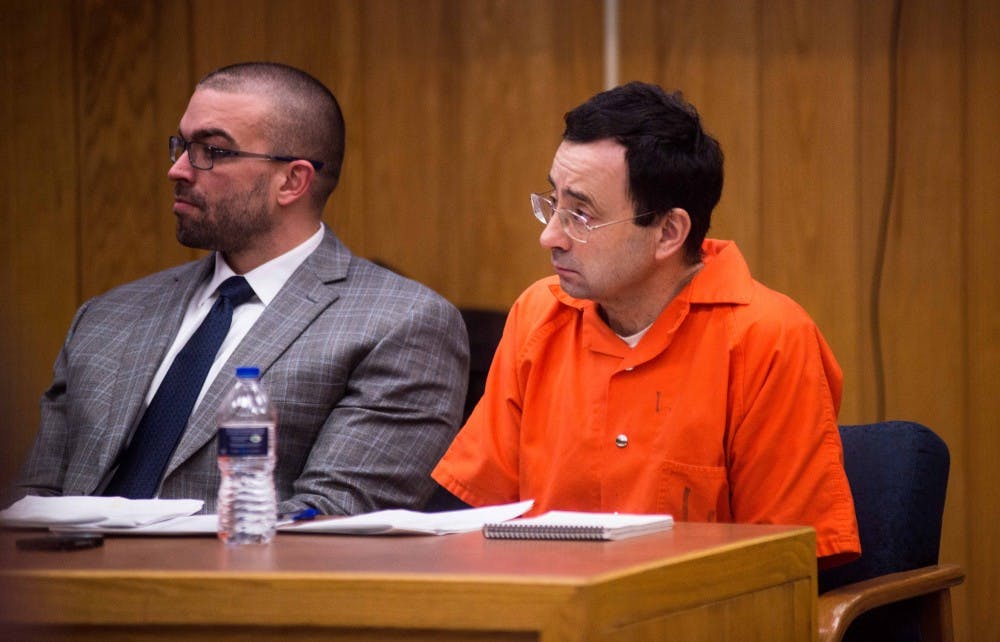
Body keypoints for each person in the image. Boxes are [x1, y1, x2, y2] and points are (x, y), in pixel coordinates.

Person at [432, 82, 860, 567]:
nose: (549, 235)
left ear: (668, 232)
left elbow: (786, 565)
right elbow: (474, 514)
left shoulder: (769, 338)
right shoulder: (537, 316)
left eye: (580, 214)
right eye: (553, 203)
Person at [12, 62, 469, 516]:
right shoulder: (107, 316)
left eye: (211, 150)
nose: (178, 170)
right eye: (181, 145)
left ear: (292, 181)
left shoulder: (400, 324)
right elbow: (33, 499)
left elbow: (331, 518)